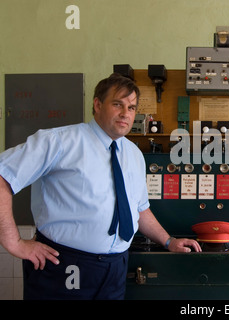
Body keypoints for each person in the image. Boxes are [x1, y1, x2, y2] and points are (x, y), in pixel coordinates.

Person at [0, 73, 201, 300]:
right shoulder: (59, 142)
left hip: (114, 269)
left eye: (132, 107)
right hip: (64, 265)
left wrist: (168, 240)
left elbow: (139, 209)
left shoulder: (134, 154)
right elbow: (2, 175)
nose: (126, 113)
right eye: (118, 104)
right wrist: (13, 242)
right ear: (97, 104)